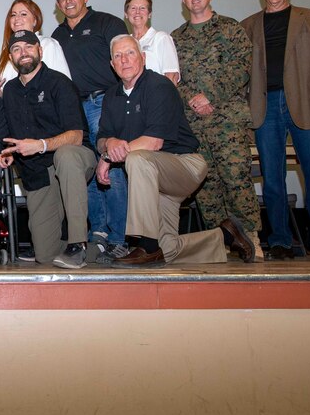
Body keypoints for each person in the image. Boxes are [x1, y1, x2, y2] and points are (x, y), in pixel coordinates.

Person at [96, 35, 254, 265]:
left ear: (143, 57)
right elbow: (102, 137)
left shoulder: (159, 86)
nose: (124, 60)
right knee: (166, 250)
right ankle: (226, 235)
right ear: (112, 64)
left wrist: (109, 157)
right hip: (154, 180)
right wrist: (106, 145)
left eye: (130, 53)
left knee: (138, 158)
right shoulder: (112, 95)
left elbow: (153, 143)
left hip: (184, 165)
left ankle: (145, 244)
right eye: (118, 56)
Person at [242, 0, 310, 261]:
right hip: (265, 107)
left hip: (306, 105)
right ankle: (281, 242)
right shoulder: (248, 25)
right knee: (272, 179)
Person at [172, 0, 261, 262]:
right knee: (205, 184)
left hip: (227, 120)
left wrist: (209, 95)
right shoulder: (176, 37)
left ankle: (251, 238)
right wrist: (192, 98)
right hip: (194, 122)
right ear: (184, 2)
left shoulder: (230, 29)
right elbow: (172, 78)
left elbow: (241, 67)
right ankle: (219, 241)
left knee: (236, 178)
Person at [0, 30, 97, 269]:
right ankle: (101, 250)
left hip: (74, 159)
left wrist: (41, 145)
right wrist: (10, 153)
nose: (23, 53)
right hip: (38, 172)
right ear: (11, 57)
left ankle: (78, 243)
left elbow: (76, 135)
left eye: (29, 47)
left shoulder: (59, 83)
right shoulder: (9, 91)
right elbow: (13, 134)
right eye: (17, 49)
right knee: (45, 254)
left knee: (66, 154)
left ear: (40, 51)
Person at [51, 0, 130, 260]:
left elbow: (125, 61)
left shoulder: (106, 23)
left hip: (105, 102)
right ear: (57, 4)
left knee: (112, 165)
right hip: (74, 110)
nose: (68, 0)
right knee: (86, 170)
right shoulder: (57, 35)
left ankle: (120, 238)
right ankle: (99, 232)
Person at [0, 0, 71, 94]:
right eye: (13, 15)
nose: (17, 18)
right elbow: (3, 96)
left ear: (35, 21)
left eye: (23, 14)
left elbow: (64, 86)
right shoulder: (3, 53)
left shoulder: (48, 44)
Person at [124, 0, 180, 84]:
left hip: (156, 96)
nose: (137, 12)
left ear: (149, 14)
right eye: (133, 8)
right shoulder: (125, 43)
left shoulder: (161, 38)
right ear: (126, 14)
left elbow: (171, 76)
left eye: (142, 8)